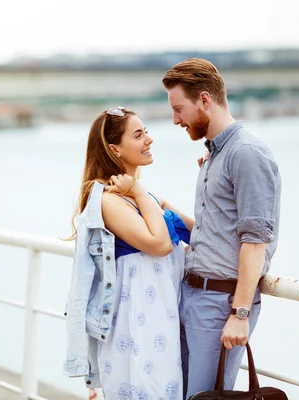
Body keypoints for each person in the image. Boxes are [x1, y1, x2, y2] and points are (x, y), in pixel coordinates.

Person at [162, 58, 282, 398]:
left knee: (203, 396)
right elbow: (214, 231)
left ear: (204, 100)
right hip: (193, 296)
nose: (175, 120)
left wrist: (240, 313)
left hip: (220, 303)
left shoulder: (247, 153)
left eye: (179, 109)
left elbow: (255, 242)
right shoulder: (215, 155)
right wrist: (155, 203)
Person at [64, 107, 193, 400]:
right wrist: (137, 191)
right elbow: (159, 244)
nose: (149, 139)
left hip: (164, 323)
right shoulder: (110, 202)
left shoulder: (146, 197)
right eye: (138, 135)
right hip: (134, 328)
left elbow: (196, 231)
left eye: (146, 131)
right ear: (115, 149)